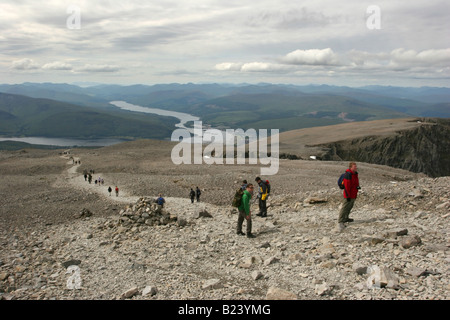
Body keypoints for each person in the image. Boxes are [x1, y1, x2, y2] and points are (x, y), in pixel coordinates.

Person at [338, 162, 360, 230]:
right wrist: (347, 196)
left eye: (356, 166)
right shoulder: (348, 174)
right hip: (349, 194)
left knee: (349, 206)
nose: (356, 167)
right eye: (354, 166)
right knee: (345, 207)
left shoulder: (355, 174)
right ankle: (340, 221)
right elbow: (347, 186)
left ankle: (346, 218)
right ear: (351, 167)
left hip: (353, 193)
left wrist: (357, 187)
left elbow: (355, 183)